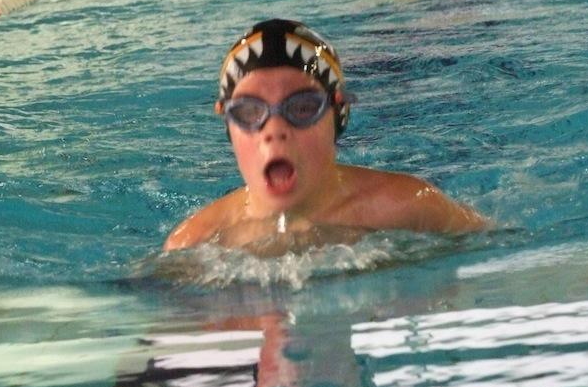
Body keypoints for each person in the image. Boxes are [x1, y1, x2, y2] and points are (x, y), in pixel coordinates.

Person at [163, 19, 489, 253]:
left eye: (302, 107)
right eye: (249, 112)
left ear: (337, 112)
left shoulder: (411, 207)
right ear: (227, 123)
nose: (274, 131)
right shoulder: (194, 243)